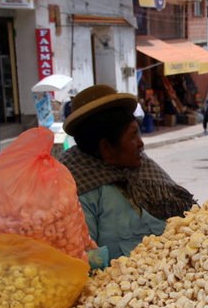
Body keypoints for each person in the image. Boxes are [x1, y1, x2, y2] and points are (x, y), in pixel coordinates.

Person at [59, 85, 197, 265]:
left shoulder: (144, 170)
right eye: (132, 136)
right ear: (106, 148)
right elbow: (84, 262)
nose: (141, 144)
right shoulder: (80, 193)